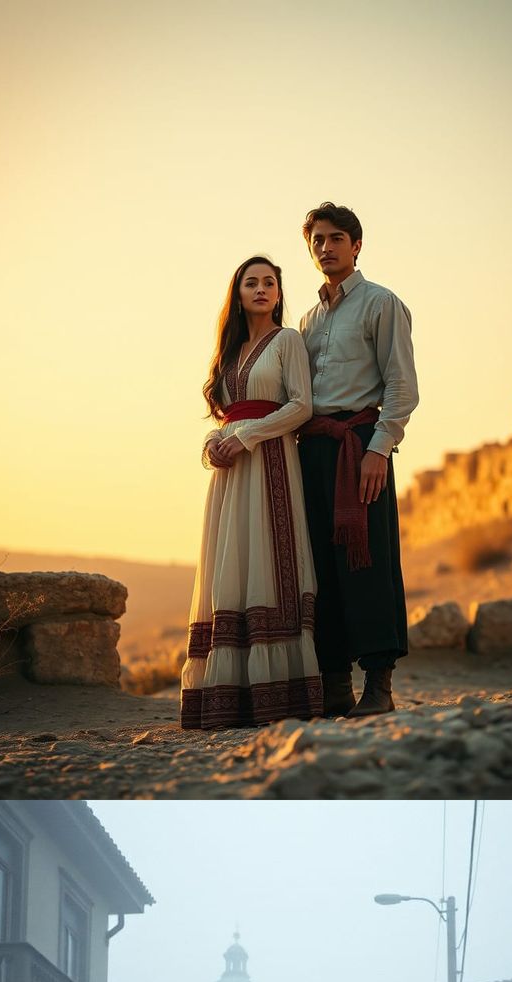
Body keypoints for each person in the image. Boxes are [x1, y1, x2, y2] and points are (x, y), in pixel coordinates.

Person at [182, 255, 322, 729]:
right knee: (233, 563)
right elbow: (223, 414)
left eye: (270, 283)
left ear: (280, 294)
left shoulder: (289, 341)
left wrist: (244, 437)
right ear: (237, 294)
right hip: (229, 474)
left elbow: (302, 406)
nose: (261, 289)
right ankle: (229, 693)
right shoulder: (229, 353)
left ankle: (279, 691)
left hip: (271, 463)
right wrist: (212, 444)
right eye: (251, 282)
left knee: (268, 556)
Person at [296, 203, 419, 718]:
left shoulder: (381, 303)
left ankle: (380, 687)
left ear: (357, 245)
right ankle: (334, 685)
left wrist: (378, 450)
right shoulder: (306, 319)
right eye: (318, 240)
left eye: (337, 238)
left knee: (368, 562)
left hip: (360, 446)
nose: (327, 248)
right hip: (315, 449)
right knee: (321, 567)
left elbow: (402, 386)